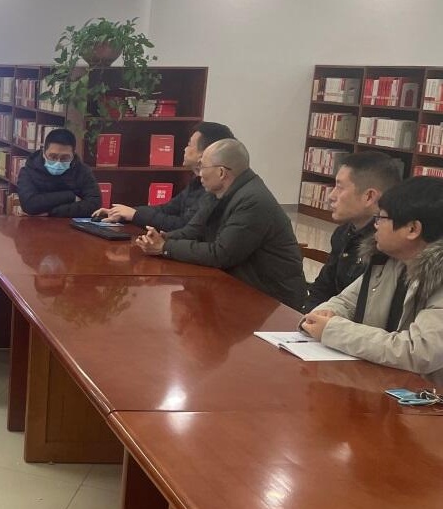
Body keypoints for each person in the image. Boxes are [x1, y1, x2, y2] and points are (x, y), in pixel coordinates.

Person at [301, 176, 443, 386]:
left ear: (412, 229)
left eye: (381, 218)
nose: (375, 226)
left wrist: (333, 330)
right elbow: (345, 302)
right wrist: (324, 314)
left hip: (425, 397)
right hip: (380, 382)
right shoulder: (389, 260)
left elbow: (419, 351)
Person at [135, 138, 308, 310]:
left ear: (221, 172)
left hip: (273, 301)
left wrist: (165, 247)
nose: (199, 174)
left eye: (203, 167)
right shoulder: (216, 192)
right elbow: (193, 230)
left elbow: (221, 254)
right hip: (239, 287)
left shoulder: (253, 201)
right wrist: (163, 238)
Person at [305, 151, 402, 310]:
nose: (331, 196)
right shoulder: (343, 233)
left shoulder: (388, 245)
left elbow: (365, 309)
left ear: (369, 197)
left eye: (339, 187)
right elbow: (322, 288)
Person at [94, 121, 235, 231]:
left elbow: (183, 225)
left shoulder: (214, 188)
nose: (185, 149)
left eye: (189, 145)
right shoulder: (196, 182)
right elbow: (166, 209)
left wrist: (135, 215)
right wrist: (123, 213)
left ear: (207, 152)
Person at [16, 128, 101, 217]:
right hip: (36, 224)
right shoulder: (29, 171)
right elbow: (30, 205)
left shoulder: (83, 171)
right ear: (44, 152)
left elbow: (94, 205)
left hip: (70, 224)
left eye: (65, 158)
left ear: (73, 154)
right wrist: (71, 196)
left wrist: (51, 212)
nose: (58, 162)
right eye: (53, 156)